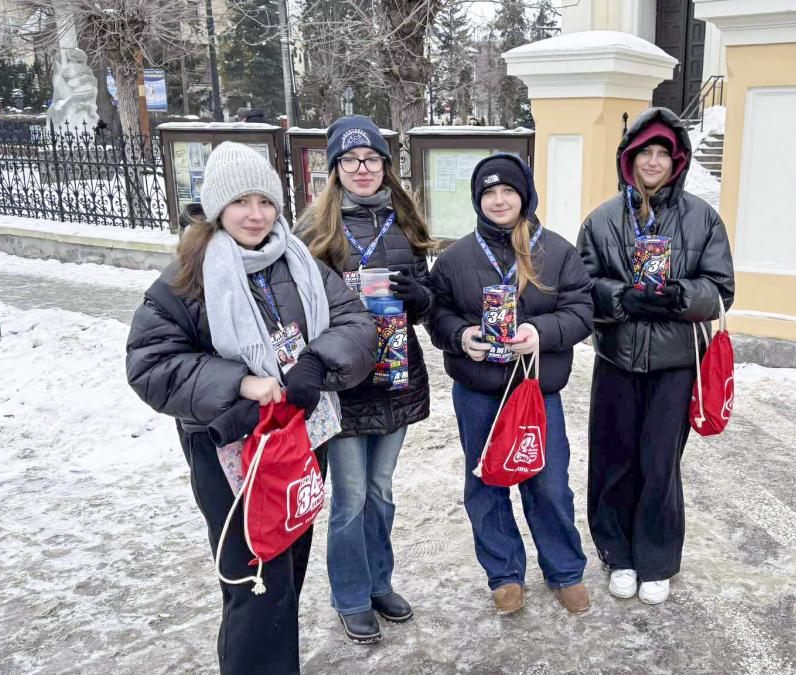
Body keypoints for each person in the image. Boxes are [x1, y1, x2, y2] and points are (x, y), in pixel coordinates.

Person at [125, 142, 377, 673]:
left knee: (287, 570)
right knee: (255, 581)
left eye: (265, 201)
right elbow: (151, 365)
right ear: (217, 207)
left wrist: (316, 361)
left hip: (298, 438)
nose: (256, 214)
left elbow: (355, 324)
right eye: (241, 202)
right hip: (230, 452)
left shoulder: (301, 262)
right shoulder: (185, 279)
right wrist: (239, 382)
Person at [576, 107, 735, 606]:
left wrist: (681, 297)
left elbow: (721, 289)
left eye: (662, 152)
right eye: (644, 151)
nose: (652, 161)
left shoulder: (702, 218)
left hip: (675, 365)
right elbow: (581, 287)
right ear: (629, 158)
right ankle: (618, 553)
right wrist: (620, 298)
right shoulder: (602, 220)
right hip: (617, 362)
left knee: (660, 463)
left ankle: (657, 559)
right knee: (614, 459)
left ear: (676, 160)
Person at [429, 153, 594, 616]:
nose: (499, 200)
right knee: (486, 483)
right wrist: (461, 337)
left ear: (525, 196)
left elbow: (582, 311)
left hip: (535, 390)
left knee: (549, 483)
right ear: (477, 199)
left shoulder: (557, 252)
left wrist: (540, 332)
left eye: (508, 191)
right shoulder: (455, 257)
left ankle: (565, 571)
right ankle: (504, 574)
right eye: (489, 192)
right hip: (478, 392)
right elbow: (436, 313)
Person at [295, 115, 436, 644]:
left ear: (385, 166)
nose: (362, 168)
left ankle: (380, 583)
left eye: (371, 159)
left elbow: (427, 296)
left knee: (381, 491)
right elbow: (298, 307)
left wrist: (420, 298)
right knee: (351, 496)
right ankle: (351, 596)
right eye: (350, 160)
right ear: (335, 168)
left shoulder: (405, 223)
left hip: (396, 374)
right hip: (344, 381)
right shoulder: (314, 231)